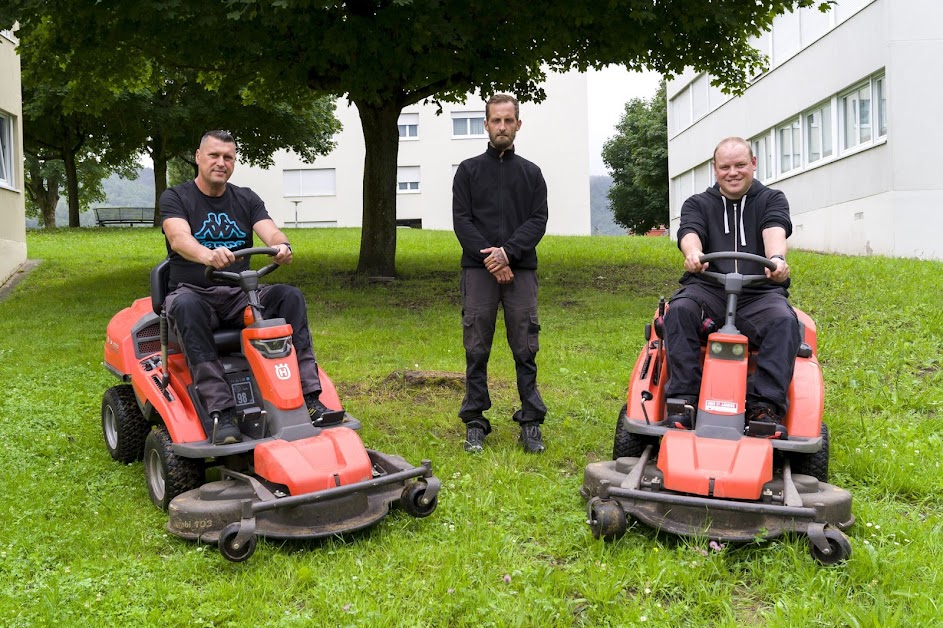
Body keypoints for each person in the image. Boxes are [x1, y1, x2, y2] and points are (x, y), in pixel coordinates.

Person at [160, 130, 332, 444]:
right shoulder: (176, 197)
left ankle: (309, 398)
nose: (220, 163)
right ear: (198, 157)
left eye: (228, 157)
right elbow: (178, 238)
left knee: (289, 297)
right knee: (185, 306)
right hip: (194, 293)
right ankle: (222, 414)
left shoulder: (246, 198)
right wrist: (207, 255)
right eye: (213, 155)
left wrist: (282, 247)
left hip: (240, 296)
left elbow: (273, 233)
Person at [664, 136, 800, 436]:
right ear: (715, 169)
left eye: (740, 165)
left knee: (784, 321)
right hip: (708, 290)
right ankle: (682, 401)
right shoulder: (698, 203)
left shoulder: (771, 199)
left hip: (758, 293)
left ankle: (764, 407)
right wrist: (693, 253)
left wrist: (776, 259)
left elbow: (775, 229)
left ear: (753, 164)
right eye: (725, 167)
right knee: (680, 310)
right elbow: (690, 232)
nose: (733, 172)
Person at [452, 94, 549, 454]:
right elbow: (462, 220)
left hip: (521, 269)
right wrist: (492, 258)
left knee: (525, 346)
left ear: (518, 125)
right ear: (486, 125)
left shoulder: (531, 173)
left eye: (509, 121)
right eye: (496, 121)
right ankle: (475, 421)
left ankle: (531, 421)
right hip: (478, 270)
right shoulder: (468, 171)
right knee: (476, 347)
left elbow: (538, 220)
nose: (502, 127)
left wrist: (508, 253)